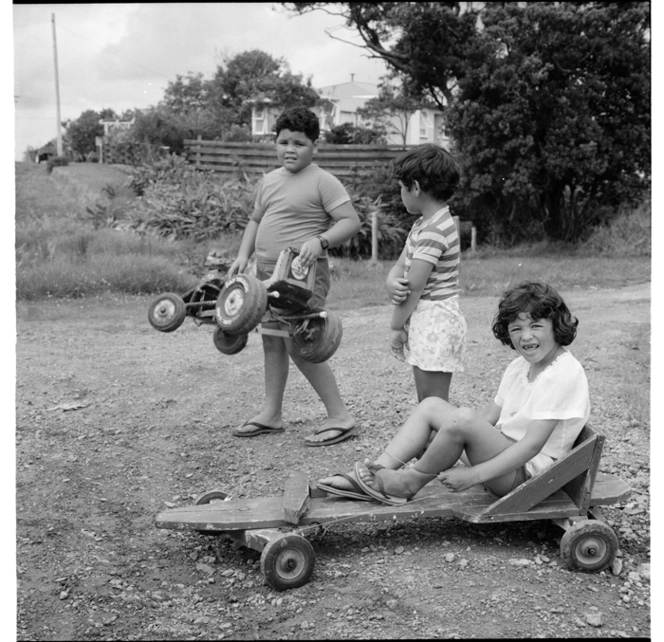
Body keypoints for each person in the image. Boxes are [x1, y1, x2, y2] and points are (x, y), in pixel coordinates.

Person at [317, 281, 590, 504]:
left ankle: (410, 482)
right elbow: (490, 419)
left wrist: (473, 474)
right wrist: (452, 432)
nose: (526, 336)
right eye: (516, 328)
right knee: (432, 406)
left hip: (528, 476)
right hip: (504, 455)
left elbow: (531, 446)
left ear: (556, 326)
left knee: (463, 419)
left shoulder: (562, 373)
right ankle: (378, 470)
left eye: (536, 326)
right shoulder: (520, 367)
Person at [227, 106, 361, 446]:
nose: (290, 149)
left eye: (299, 143)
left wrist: (320, 241)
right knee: (272, 340)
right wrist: (243, 256)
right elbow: (256, 221)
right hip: (266, 274)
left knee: (303, 342)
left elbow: (350, 221)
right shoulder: (269, 181)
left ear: (314, 145)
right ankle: (271, 414)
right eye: (283, 141)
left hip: (302, 276)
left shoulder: (323, 181)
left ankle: (339, 416)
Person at [386, 143, 467, 403]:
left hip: (435, 320)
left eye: (402, 186)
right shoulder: (424, 224)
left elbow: (414, 286)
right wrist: (391, 281)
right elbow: (401, 267)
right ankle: (431, 440)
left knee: (433, 402)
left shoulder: (434, 230)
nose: (401, 192)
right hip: (426, 318)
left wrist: (396, 326)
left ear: (416, 187)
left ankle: (441, 442)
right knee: (427, 400)